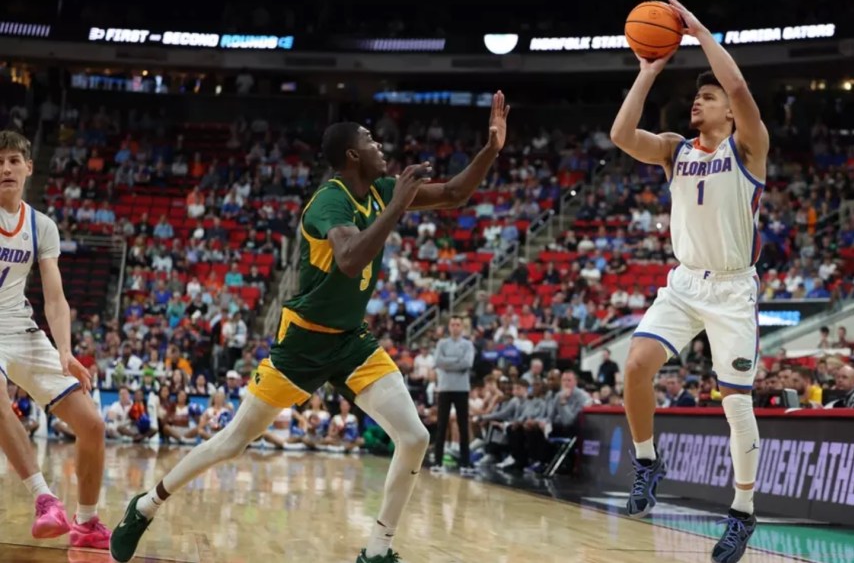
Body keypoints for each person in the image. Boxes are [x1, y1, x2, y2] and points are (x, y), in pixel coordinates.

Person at [109, 91, 509, 563]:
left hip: (350, 341)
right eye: (371, 140)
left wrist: (490, 150)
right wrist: (397, 206)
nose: (381, 146)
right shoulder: (328, 202)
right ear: (352, 155)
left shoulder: (381, 191)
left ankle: (377, 551)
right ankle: (146, 505)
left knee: (415, 437)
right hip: (303, 341)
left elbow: (455, 193)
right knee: (233, 442)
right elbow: (349, 258)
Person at [609, 0, 768, 562]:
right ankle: (648, 461)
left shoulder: (748, 147)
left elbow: (740, 88)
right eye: (697, 96)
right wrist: (648, 70)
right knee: (635, 366)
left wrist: (700, 34)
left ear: (729, 112)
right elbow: (621, 134)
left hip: (732, 289)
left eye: (709, 97)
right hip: (684, 284)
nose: (699, 100)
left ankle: (742, 512)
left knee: (736, 405)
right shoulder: (675, 150)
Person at [0, 130, 110, 548]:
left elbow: (55, 297)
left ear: (29, 168)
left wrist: (65, 351)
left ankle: (87, 523)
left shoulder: (41, 226)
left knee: (92, 425)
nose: (5, 168)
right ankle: (45, 499)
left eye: (13, 160)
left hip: (21, 328)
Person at [431, 316, 475, 474]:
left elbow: (467, 363)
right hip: (444, 388)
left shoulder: (468, 344)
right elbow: (437, 361)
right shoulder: (442, 343)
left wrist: (447, 363)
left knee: (463, 426)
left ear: (462, 327)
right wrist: (456, 361)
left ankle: (465, 463)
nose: (455, 327)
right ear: (449, 327)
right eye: (452, 324)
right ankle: (438, 462)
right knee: (441, 425)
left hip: (462, 389)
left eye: (458, 324)